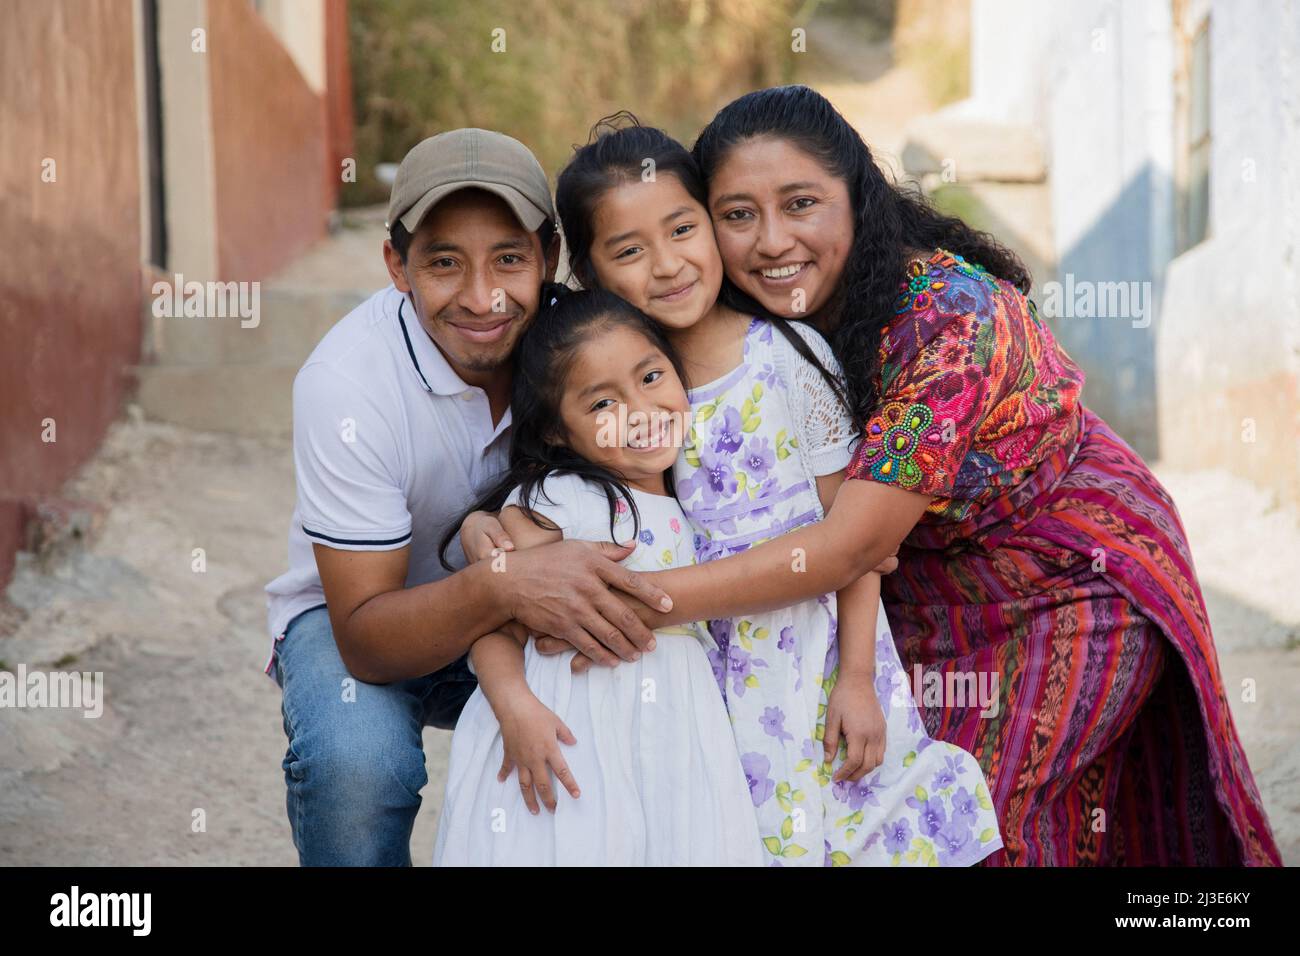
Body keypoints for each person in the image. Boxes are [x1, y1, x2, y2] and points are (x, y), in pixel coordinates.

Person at [471, 117, 1004, 866]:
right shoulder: (625, 393)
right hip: (708, 683)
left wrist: (856, 678)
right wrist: (483, 531)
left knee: (851, 826)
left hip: (811, 660)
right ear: (590, 275)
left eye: (683, 228)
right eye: (628, 250)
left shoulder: (788, 355)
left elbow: (848, 542)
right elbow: (558, 515)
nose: (666, 264)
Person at [262, 129, 673, 866]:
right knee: (358, 765)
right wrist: (509, 583)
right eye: (444, 263)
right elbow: (366, 637)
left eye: (509, 259)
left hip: (526, 602)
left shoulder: (576, 344)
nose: (483, 299)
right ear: (397, 264)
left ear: (547, 255)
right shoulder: (347, 384)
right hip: (367, 616)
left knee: (649, 698)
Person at [433, 289, 763, 865]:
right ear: (557, 432)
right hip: (569, 734)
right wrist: (515, 709)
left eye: (652, 377)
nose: (638, 411)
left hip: (677, 736)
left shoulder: (699, 489)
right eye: (602, 404)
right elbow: (494, 627)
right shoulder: (567, 500)